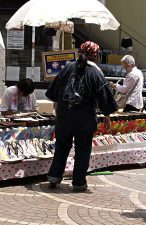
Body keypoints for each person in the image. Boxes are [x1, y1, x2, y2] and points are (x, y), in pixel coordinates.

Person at [45, 41, 118, 191]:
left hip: (64, 117)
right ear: (96, 56)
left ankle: (54, 177)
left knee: (61, 147)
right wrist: (107, 115)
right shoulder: (96, 73)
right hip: (84, 120)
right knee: (83, 150)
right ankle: (79, 183)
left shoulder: (67, 67)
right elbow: (105, 98)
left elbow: (54, 92)